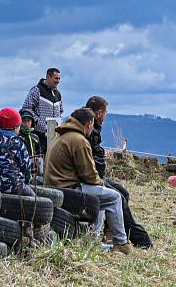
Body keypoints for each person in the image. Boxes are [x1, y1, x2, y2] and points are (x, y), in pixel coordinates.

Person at [44, 108, 132, 254]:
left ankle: (92, 240)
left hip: (55, 188)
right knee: (114, 197)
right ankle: (121, 243)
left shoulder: (61, 136)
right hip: (68, 190)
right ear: (89, 124)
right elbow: (89, 175)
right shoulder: (79, 140)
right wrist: (102, 183)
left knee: (100, 199)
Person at [85, 96, 153, 248]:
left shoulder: (93, 129)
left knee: (123, 192)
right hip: (92, 176)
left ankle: (109, 231)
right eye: (105, 112)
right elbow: (95, 161)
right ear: (98, 113)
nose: (106, 115)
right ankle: (138, 239)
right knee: (119, 198)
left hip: (95, 175)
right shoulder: (91, 132)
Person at [21, 68, 63, 157]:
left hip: (53, 136)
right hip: (39, 135)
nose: (58, 81)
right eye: (56, 78)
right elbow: (26, 108)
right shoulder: (37, 90)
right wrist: (38, 122)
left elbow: (61, 111)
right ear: (48, 77)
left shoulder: (58, 94)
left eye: (59, 78)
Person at [0, 108, 35, 196]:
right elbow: (26, 167)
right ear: (15, 127)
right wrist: (27, 181)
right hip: (15, 186)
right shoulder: (17, 142)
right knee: (36, 201)